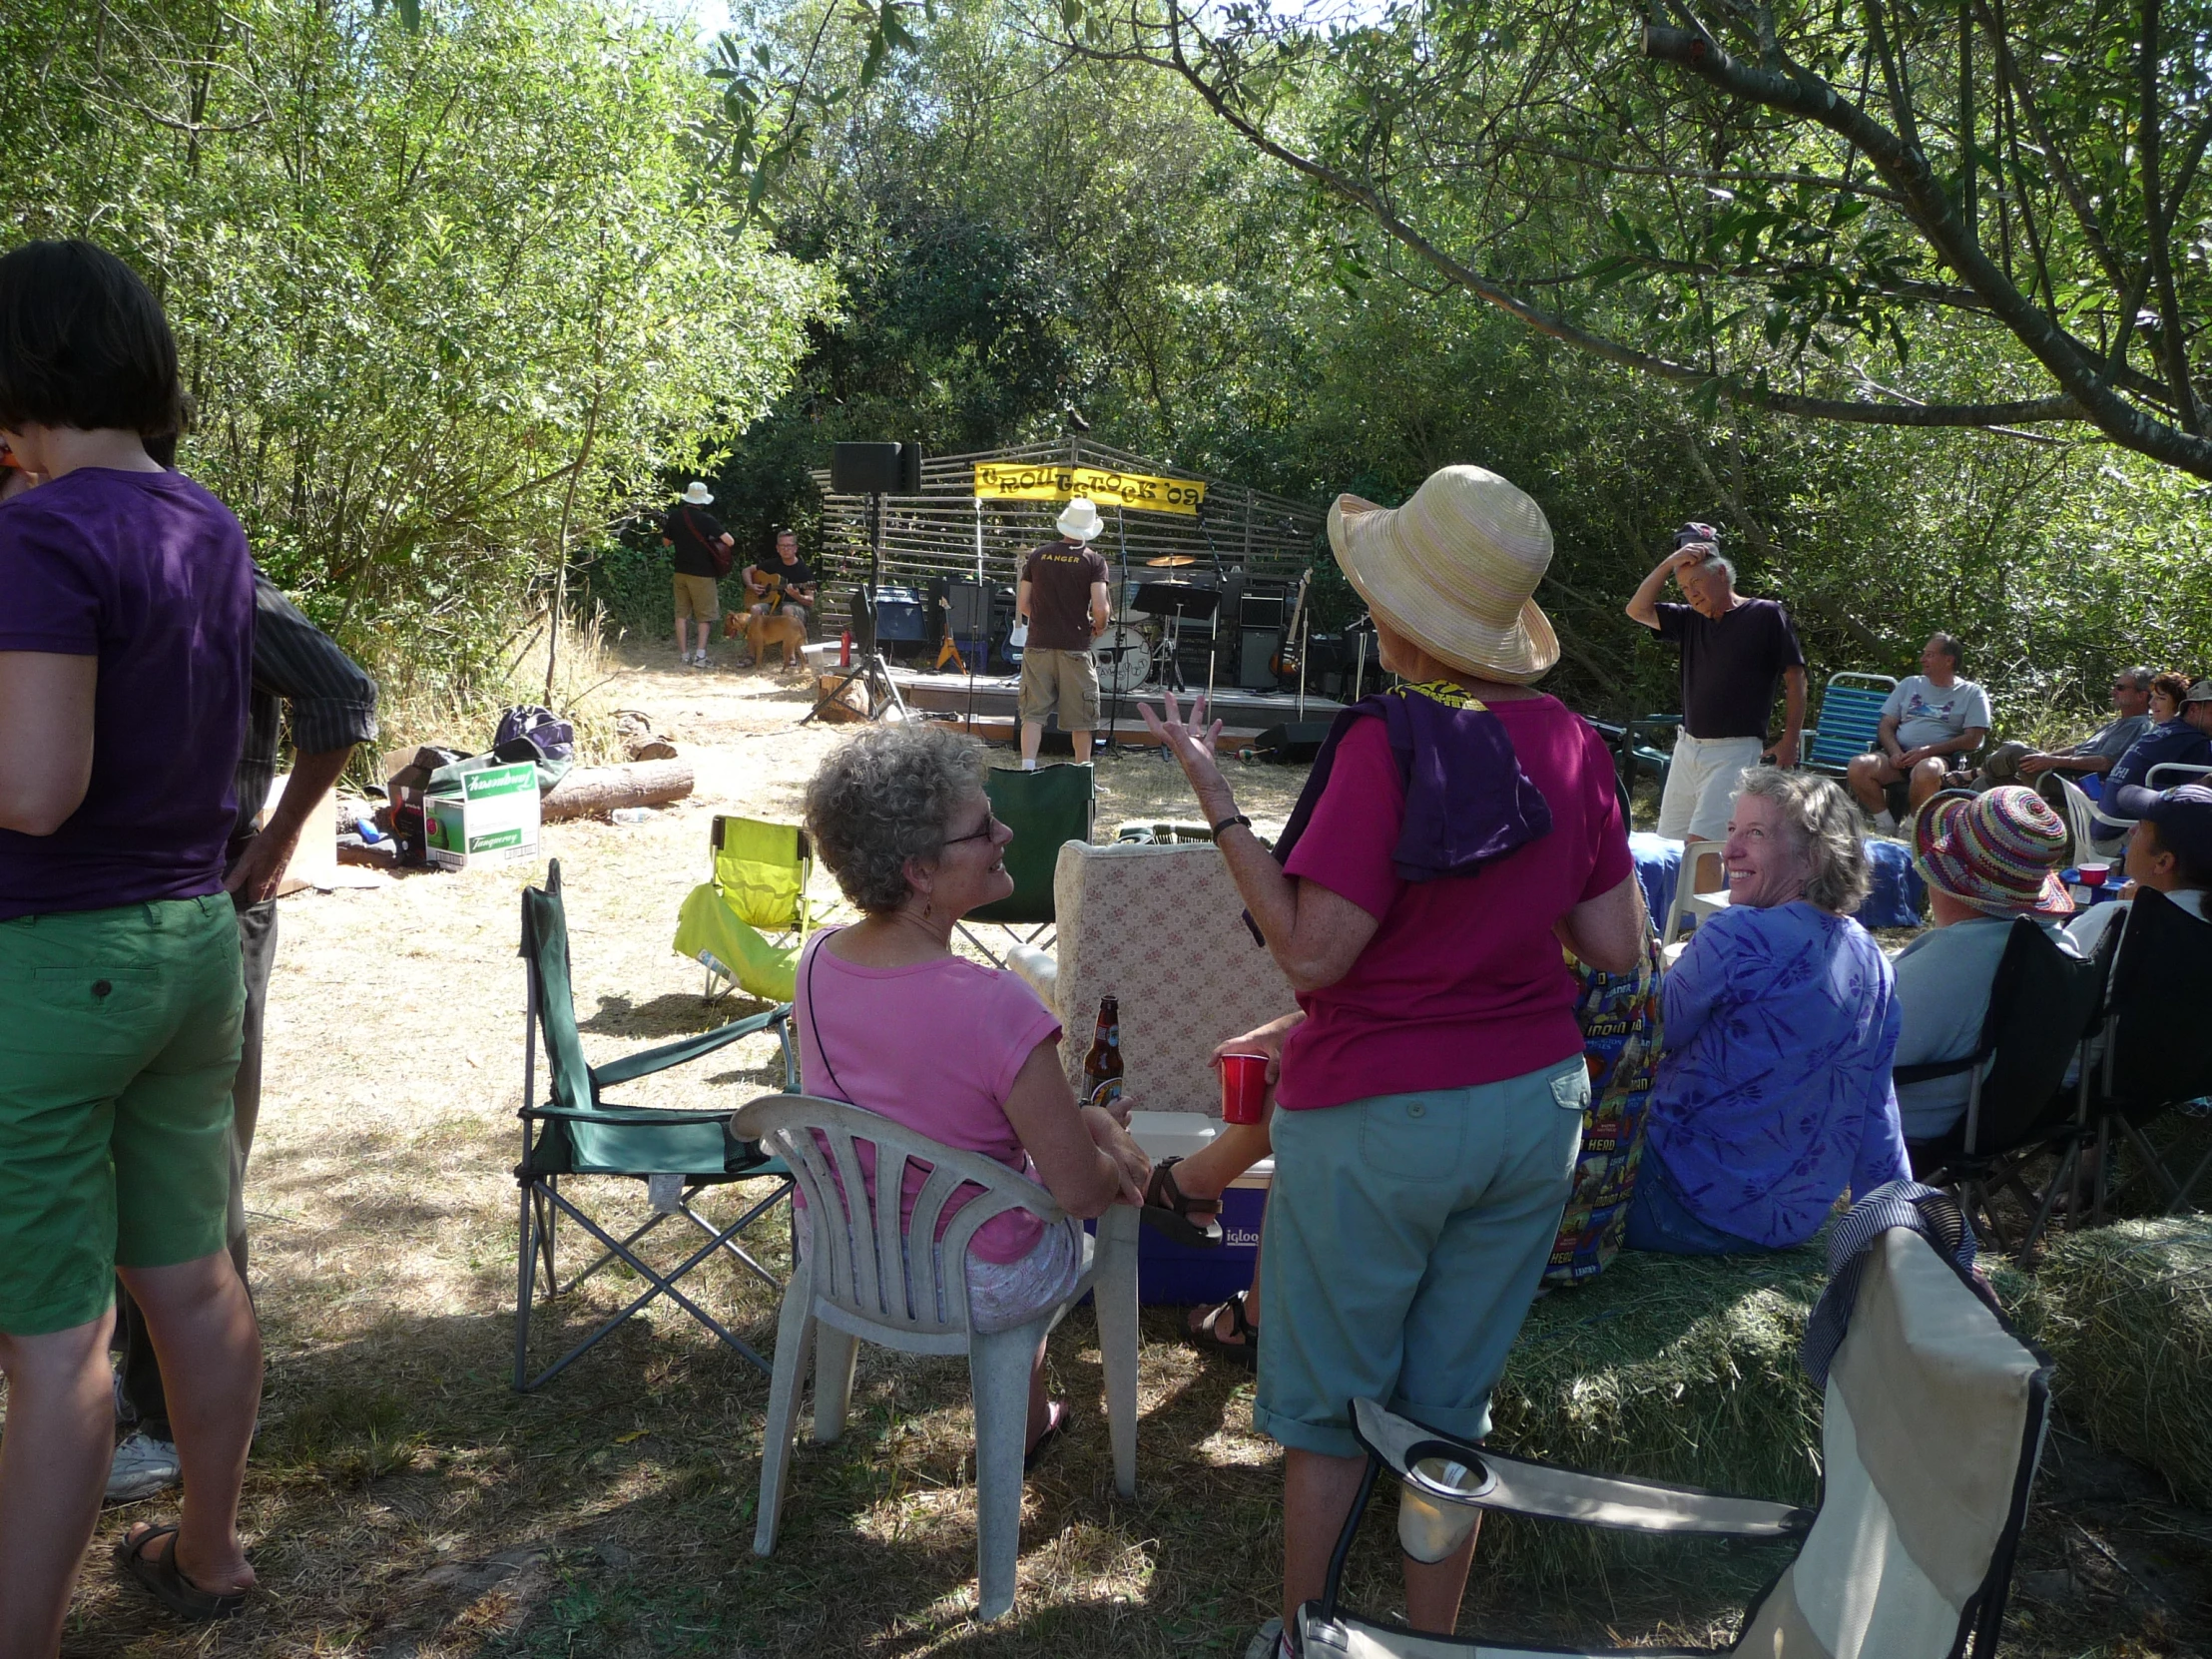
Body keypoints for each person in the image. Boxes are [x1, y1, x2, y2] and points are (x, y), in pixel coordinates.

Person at [1143, 463, 1645, 1652]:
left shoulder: (1385, 741)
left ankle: (1310, 1640)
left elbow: (1314, 956)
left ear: (1406, 623)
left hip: (1378, 1118)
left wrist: (1217, 801)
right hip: (1534, 1111)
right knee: (1443, 1413)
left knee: (1326, 1418)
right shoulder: (1573, 740)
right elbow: (1616, 944)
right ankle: (1427, 1645)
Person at [0, 239, 260, 1645]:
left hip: (52, 959)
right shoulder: (204, 519)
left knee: (54, 1344)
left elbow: (33, 788)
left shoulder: (39, 529)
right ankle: (208, 1550)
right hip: (190, 939)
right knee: (189, 1272)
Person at [109, 538, 379, 1503]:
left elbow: (342, 694)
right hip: (91, 916)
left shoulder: (192, 554)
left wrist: (270, 848)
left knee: (197, 1168)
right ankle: (120, 1411)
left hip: (211, 897)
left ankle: (184, 1428)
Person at [797, 723, 1150, 1459]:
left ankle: (1022, 1423)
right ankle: (1029, 1426)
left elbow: (920, 1107)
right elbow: (1081, 1193)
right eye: (983, 827)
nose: (1006, 831)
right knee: (1051, 1217)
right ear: (921, 871)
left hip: (848, 1258)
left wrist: (1077, 1116)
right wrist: (1116, 1152)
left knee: (1011, 1191)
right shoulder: (998, 1006)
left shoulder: (818, 958)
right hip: (975, 1283)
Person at [1625, 769, 1909, 1253]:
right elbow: (1877, 1109)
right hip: (1780, 1228)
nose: (1728, 849)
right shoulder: (1874, 961)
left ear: (1813, 857)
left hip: (1672, 1200)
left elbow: (1645, 1034)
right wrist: (1901, 1235)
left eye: (1755, 834)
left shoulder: (1738, 934)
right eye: (1732, 830)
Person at [1891, 787, 2080, 1144]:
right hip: (2003, 1123)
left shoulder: (1954, 961)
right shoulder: (2061, 947)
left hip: (1911, 1129)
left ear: (1944, 877)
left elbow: (1860, 1046)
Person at [1624, 523, 1806, 891]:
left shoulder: (1765, 614)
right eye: (1684, 589)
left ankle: (1706, 933)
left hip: (1734, 750)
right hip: (1688, 747)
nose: (1691, 596)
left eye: (1697, 584)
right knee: (1671, 844)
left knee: (1704, 849)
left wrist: (1790, 738)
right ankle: (1676, 926)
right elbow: (1636, 609)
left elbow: (1795, 678)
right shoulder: (1689, 620)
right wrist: (1670, 563)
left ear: (1721, 573)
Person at [1846, 634, 1991, 829]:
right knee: (1859, 765)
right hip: (1898, 756)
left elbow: (1973, 739)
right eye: (1924, 654)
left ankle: (1911, 829)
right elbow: (1886, 725)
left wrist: (1928, 751)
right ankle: (1885, 824)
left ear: (1949, 660)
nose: (1922, 659)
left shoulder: (1972, 693)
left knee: (1927, 769)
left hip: (1939, 759)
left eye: (1929, 655)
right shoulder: (1909, 684)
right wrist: (1895, 751)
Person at [1014, 497, 1112, 768]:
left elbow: (1023, 604)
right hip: (1074, 647)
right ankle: (1082, 773)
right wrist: (1099, 626)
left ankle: (1027, 768)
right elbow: (1101, 608)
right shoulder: (1094, 560)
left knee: (1033, 713)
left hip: (1037, 645)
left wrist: (1047, 620)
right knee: (1082, 714)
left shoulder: (1038, 555)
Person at [2067, 784, 2212, 958]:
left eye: (2141, 826)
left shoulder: (2113, 921)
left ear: (2162, 862)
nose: (2131, 830)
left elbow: (2045, 979)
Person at [2085, 678, 2212, 855]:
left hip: (2102, 829)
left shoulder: (2164, 730)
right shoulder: (2195, 742)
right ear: (2193, 709)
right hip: (2125, 835)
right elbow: (2196, 802)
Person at [1995, 666, 2155, 792]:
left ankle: (1974, 773)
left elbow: (2103, 763)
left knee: (2015, 750)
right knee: (1989, 782)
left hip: (2076, 782)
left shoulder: (2137, 725)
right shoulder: (2116, 724)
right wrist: (2043, 757)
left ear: (2141, 695)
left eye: (2120, 688)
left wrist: (2052, 761)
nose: (2113, 692)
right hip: (2060, 773)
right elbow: (2077, 749)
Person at [661, 480, 734, 669]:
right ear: (703, 501)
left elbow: (666, 542)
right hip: (702, 574)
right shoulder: (707, 519)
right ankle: (700, 657)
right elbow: (729, 541)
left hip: (680, 572)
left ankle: (684, 656)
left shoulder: (675, 517)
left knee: (681, 614)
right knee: (705, 616)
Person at [740, 527, 816, 665]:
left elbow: (810, 601)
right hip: (772, 604)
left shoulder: (803, 570)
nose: (786, 549)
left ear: (795, 548)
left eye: (789, 546)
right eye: (782, 546)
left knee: (788, 609)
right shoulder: (771, 564)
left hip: (795, 608)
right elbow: (746, 570)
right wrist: (751, 585)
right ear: (777, 548)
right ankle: (751, 655)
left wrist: (797, 596)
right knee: (755, 609)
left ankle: (791, 657)